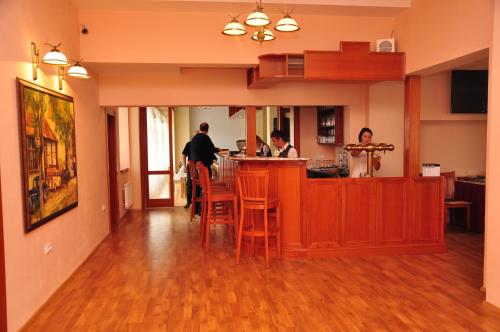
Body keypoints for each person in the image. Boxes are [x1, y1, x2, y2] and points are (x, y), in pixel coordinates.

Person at [182, 130, 198, 209]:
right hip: (190, 167)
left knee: (199, 186)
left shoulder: (201, 144)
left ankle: (197, 204)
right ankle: (188, 202)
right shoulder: (189, 144)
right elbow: (184, 155)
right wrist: (184, 166)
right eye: (195, 135)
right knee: (189, 184)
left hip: (200, 167)